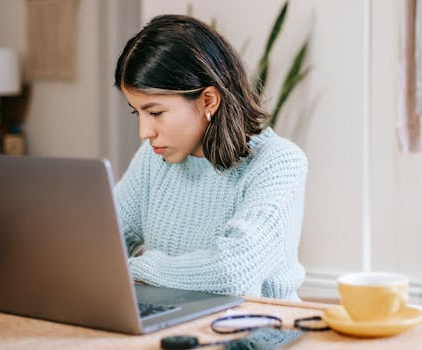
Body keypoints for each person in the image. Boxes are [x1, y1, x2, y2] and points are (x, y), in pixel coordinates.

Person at [113, 14, 307, 300]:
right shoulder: (153, 159)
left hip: (258, 331)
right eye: (137, 112)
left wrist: (133, 269)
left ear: (208, 101)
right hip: (174, 320)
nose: (145, 131)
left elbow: (232, 273)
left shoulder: (279, 162)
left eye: (155, 113)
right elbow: (104, 242)